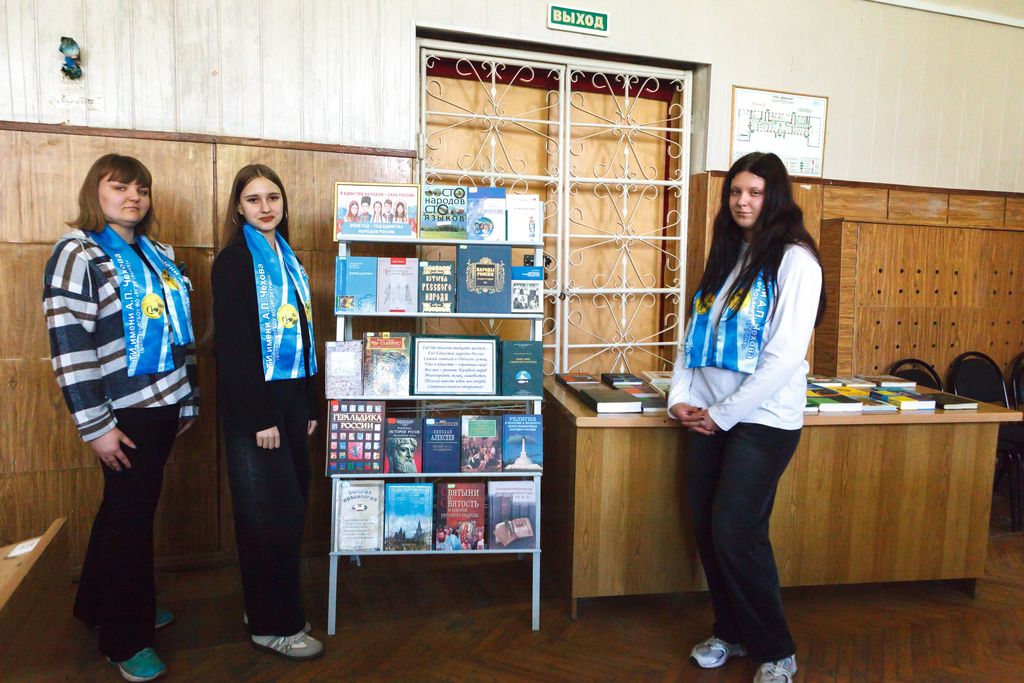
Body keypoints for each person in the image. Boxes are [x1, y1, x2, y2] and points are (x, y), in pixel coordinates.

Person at [668, 152, 824, 683]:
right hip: (708, 416)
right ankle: (730, 632)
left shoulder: (796, 261)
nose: (742, 201)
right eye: (736, 191)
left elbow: (784, 357)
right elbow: (693, 337)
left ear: (774, 197)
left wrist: (722, 414)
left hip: (762, 420)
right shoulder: (729, 254)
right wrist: (679, 398)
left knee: (737, 530)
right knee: (708, 528)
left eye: (755, 192)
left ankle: (777, 651)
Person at [43, 153, 198, 682]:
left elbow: (180, 329)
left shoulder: (159, 254)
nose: (133, 197)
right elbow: (70, 346)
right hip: (122, 415)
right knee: (130, 522)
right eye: (119, 187)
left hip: (165, 405)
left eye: (141, 189)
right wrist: (97, 426)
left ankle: (98, 604)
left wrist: (189, 397)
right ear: (96, 192)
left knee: (122, 513)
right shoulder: (77, 252)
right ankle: (124, 639)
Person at [211, 164, 323, 661]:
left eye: (272, 197)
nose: (265, 207)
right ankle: (274, 626)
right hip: (255, 413)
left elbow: (306, 336)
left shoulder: (289, 259)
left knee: (289, 512)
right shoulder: (233, 261)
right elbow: (233, 348)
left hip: (292, 406)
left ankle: (264, 607)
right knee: (268, 520)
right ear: (238, 208)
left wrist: (310, 404)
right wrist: (260, 418)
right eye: (253, 199)